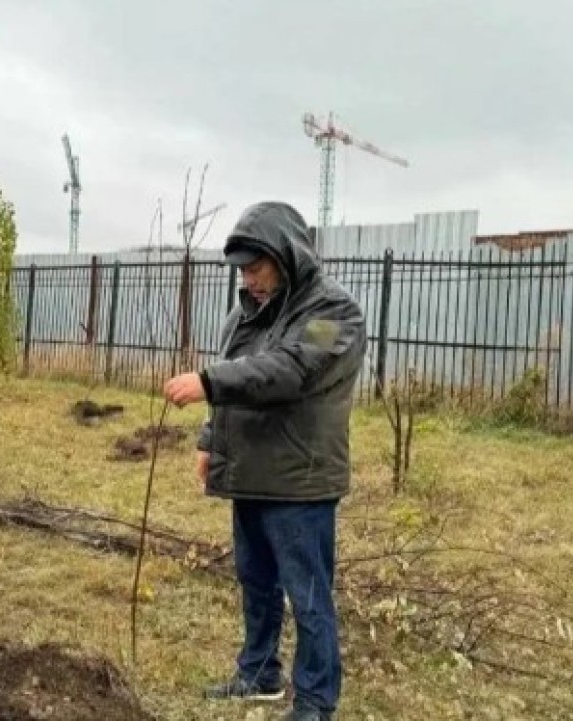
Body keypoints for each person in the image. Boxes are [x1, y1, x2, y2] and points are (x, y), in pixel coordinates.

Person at [163, 201, 367, 721]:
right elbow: (238, 371)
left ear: (286, 256)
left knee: (308, 593)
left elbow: (290, 369)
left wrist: (207, 383)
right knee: (255, 580)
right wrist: (211, 440)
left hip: (300, 480)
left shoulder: (331, 315)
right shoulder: (247, 312)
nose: (249, 279)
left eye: (257, 267)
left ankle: (317, 701)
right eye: (243, 269)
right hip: (252, 471)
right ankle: (259, 674)